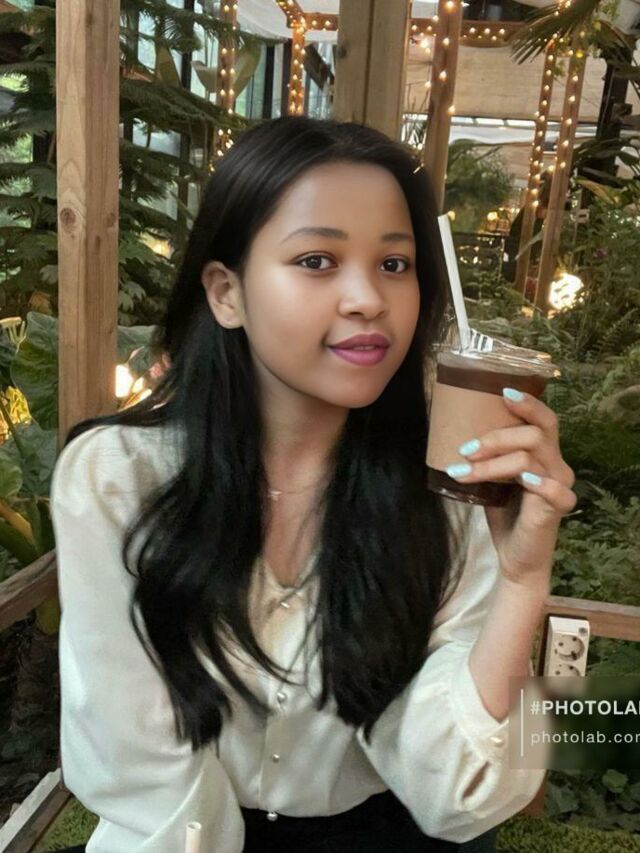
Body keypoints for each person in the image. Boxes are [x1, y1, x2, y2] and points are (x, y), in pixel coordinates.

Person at [51, 116, 577, 853]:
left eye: (394, 264)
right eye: (317, 260)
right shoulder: (119, 478)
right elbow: (138, 761)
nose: (367, 298)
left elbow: (456, 797)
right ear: (226, 293)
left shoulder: (453, 490)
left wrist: (522, 582)